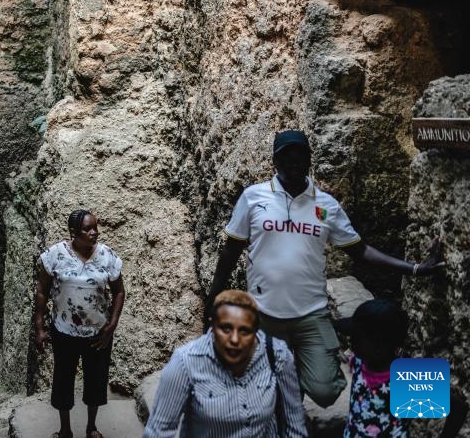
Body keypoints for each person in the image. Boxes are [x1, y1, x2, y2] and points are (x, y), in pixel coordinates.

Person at [207, 129, 444, 407]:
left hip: (311, 314)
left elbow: (360, 250)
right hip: (264, 313)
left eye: (300, 156)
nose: (293, 162)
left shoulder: (326, 205)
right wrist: (214, 296)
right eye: (286, 156)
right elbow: (231, 250)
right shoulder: (253, 197)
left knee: (325, 391)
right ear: (275, 161)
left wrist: (414, 268)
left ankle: (293, 379)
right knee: (260, 391)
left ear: (309, 160)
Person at [144, 289, 307, 437]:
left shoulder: (277, 355)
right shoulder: (186, 362)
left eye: (244, 331)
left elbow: (294, 428)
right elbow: (158, 432)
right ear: (212, 326)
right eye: (226, 329)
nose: (234, 339)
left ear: (256, 331)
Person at [33, 209, 126, 438]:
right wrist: (40, 327)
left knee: (95, 381)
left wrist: (111, 325)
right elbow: (42, 292)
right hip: (64, 331)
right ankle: (65, 430)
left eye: (95, 227)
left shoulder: (107, 255)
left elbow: (119, 292)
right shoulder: (55, 254)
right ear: (73, 232)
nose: (95, 232)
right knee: (63, 380)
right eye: (88, 229)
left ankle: (91, 427)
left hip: (98, 332)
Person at [335, 298, 467, 438]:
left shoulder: (403, 379)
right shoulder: (359, 361)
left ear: (379, 347)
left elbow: (458, 408)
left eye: (356, 338)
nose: (350, 341)